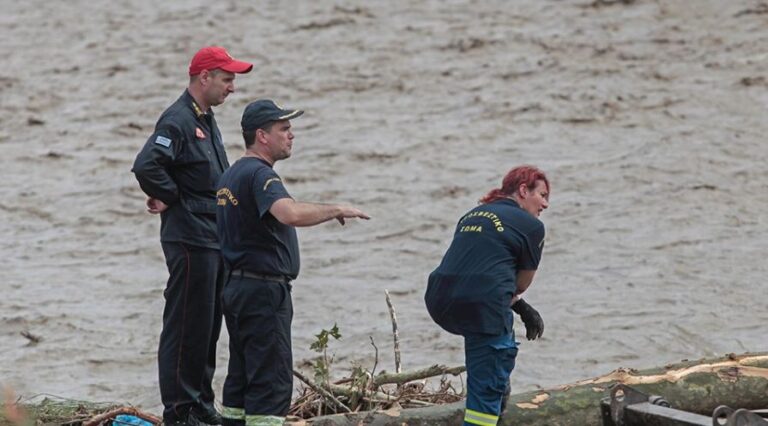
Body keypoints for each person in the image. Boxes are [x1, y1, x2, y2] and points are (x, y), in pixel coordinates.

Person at [215, 99, 370, 426]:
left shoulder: (231, 174)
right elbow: (290, 213)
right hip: (263, 290)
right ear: (262, 136)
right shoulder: (260, 175)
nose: (292, 135)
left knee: (241, 379)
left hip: (236, 287)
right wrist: (336, 209)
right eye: (284, 129)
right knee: (270, 383)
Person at [131, 46, 253, 426]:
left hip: (211, 235)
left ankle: (201, 403)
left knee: (208, 324)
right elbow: (146, 166)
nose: (232, 87)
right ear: (205, 77)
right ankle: (180, 410)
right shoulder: (178, 120)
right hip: (189, 237)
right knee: (186, 323)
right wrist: (171, 197)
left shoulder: (206, 118)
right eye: (227, 78)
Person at [424, 165, 550, 426]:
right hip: (481, 304)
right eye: (543, 195)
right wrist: (519, 303)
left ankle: (498, 407)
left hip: (439, 298)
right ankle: (487, 412)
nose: (546, 204)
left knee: (492, 366)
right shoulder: (532, 227)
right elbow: (520, 284)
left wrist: (521, 308)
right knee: (488, 386)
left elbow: (477, 268)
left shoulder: (471, 214)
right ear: (524, 190)